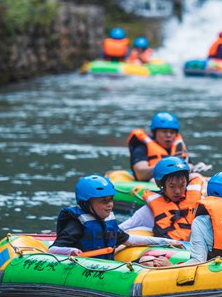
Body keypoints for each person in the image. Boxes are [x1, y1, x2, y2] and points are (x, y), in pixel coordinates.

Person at [48, 175, 181, 260]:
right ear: (86, 203)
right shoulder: (76, 225)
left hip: (107, 268)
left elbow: (130, 240)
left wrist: (165, 242)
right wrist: (71, 251)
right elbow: (52, 250)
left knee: (149, 261)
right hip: (83, 270)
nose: (110, 205)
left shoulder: (107, 222)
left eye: (111, 200)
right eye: (104, 201)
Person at [120, 157, 203, 247]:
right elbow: (120, 230)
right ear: (161, 185)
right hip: (170, 250)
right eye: (172, 186)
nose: (178, 191)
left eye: (182, 185)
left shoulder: (199, 202)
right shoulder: (148, 211)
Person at [128, 111, 189, 181]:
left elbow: (189, 165)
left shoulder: (178, 147)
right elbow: (140, 174)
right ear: (154, 133)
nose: (169, 135)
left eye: (172, 132)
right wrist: (170, 164)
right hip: (151, 182)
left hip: (175, 182)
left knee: (196, 176)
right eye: (164, 131)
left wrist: (194, 168)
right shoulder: (142, 146)